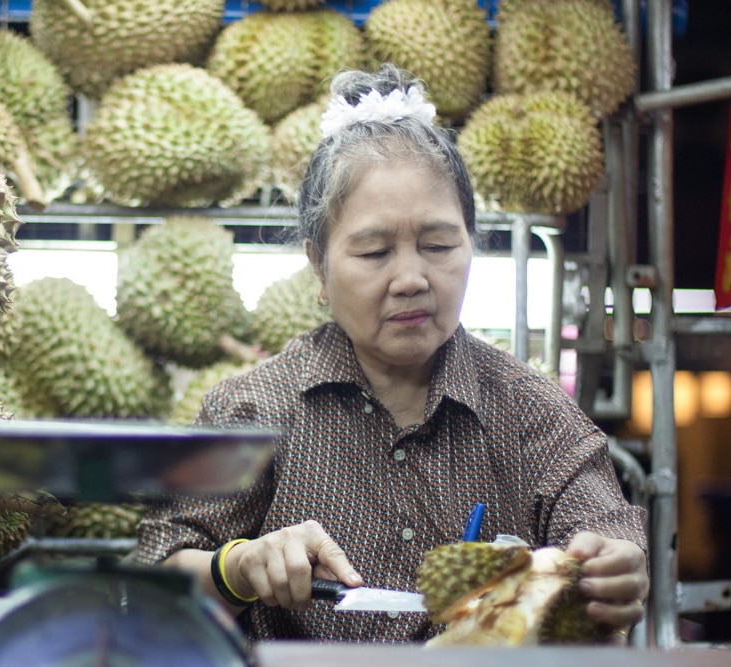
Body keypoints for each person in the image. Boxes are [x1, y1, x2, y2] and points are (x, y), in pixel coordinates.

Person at [137, 63, 649, 643]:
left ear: (472, 246)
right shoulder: (254, 409)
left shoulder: (528, 409)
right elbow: (158, 576)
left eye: (437, 245)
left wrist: (613, 564)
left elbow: (608, 530)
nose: (411, 278)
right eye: (374, 251)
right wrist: (238, 569)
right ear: (319, 266)